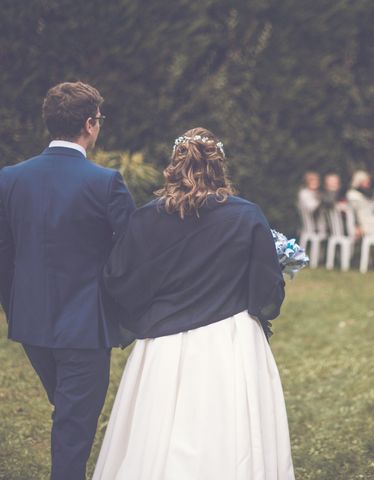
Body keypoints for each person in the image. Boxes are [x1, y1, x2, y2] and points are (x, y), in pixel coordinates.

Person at [92, 128, 295, 479]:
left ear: (174, 165)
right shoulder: (246, 216)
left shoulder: (146, 218)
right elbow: (266, 289)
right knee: (230, 430)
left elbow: (120, 280)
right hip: (231, 339)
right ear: (219, 166)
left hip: (163, 343)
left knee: (157, 433)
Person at [0, 82, 136, 480]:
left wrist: (16, 305)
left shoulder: (9, 179)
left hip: (30, 323)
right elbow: (130, 254)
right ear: (91, 124)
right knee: (75, 425)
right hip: (85, 328)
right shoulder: (106, 182)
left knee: (68, 412)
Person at [347, 170, 374, 235]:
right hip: (363, 223)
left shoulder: (363, 194)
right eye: (366, 181)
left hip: (367, 220)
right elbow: (354, 213)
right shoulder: (353, 195)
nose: (368, 183)